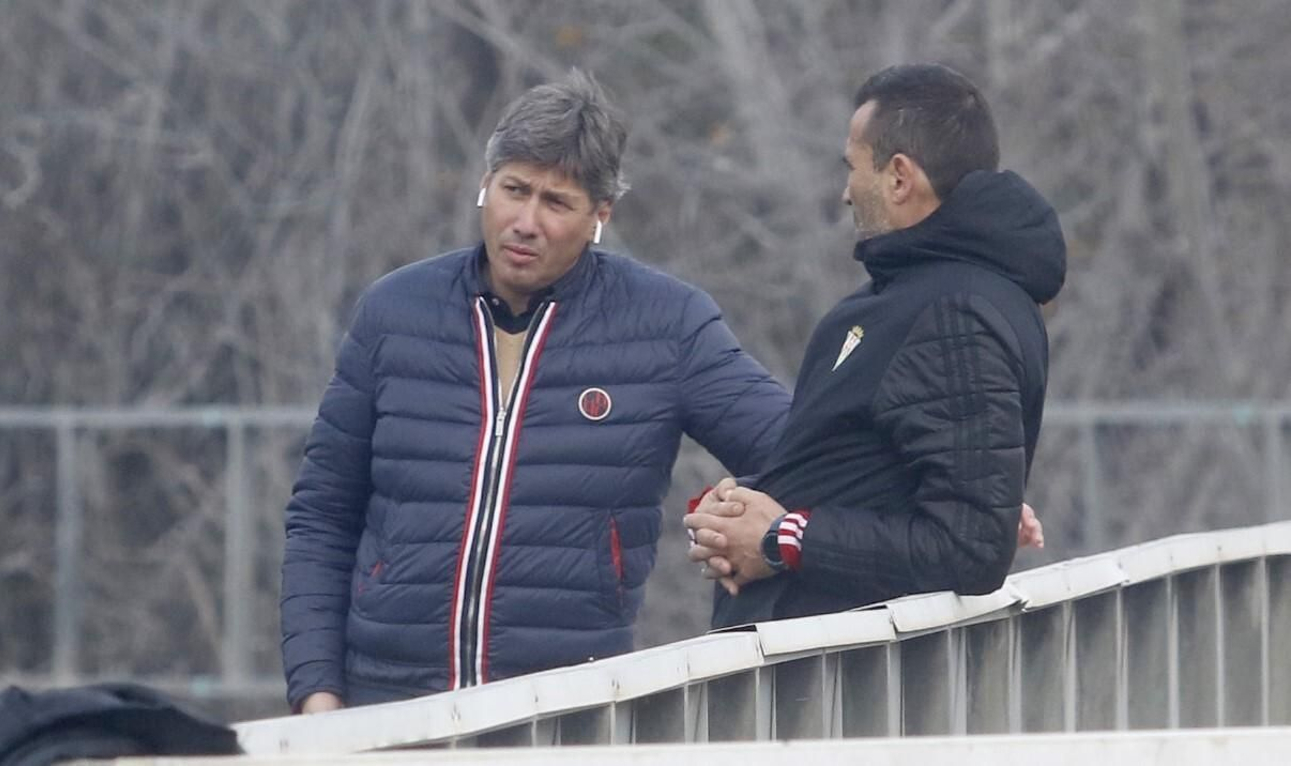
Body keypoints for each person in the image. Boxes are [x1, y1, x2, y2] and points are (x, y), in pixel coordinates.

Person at [280, 71, 793, 713]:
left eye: (556, 202)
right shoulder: (395, 312)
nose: (526, 221)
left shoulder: (667, 324)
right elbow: (323, 515)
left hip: (565, 711)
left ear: (600, 214)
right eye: (513, 190)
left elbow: (800, 454)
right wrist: (316, 691)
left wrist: (755, 527)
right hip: (387, 706)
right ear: (485, 185)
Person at [685, 63, 1066, 627]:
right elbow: (871, 476)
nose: (845, 192)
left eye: (853, 167)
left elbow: (968, 548)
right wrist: (740, 515)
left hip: (855, 693)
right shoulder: (910, 298)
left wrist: (780, 538)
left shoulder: (954, 314)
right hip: (811, 677)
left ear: (898, 177)